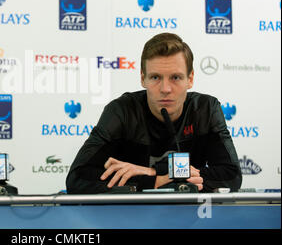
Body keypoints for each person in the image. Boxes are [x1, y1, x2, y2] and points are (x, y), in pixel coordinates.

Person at [66, 33, 242, 193]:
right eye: (156, 77)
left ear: (190, 79)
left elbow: (231, 176)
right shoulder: (122, 111)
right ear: (143, 78)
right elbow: (78, 178)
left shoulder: (205, 109)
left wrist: (151, 171)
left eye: (176, 77)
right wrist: (156, 180)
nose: (165, 89)